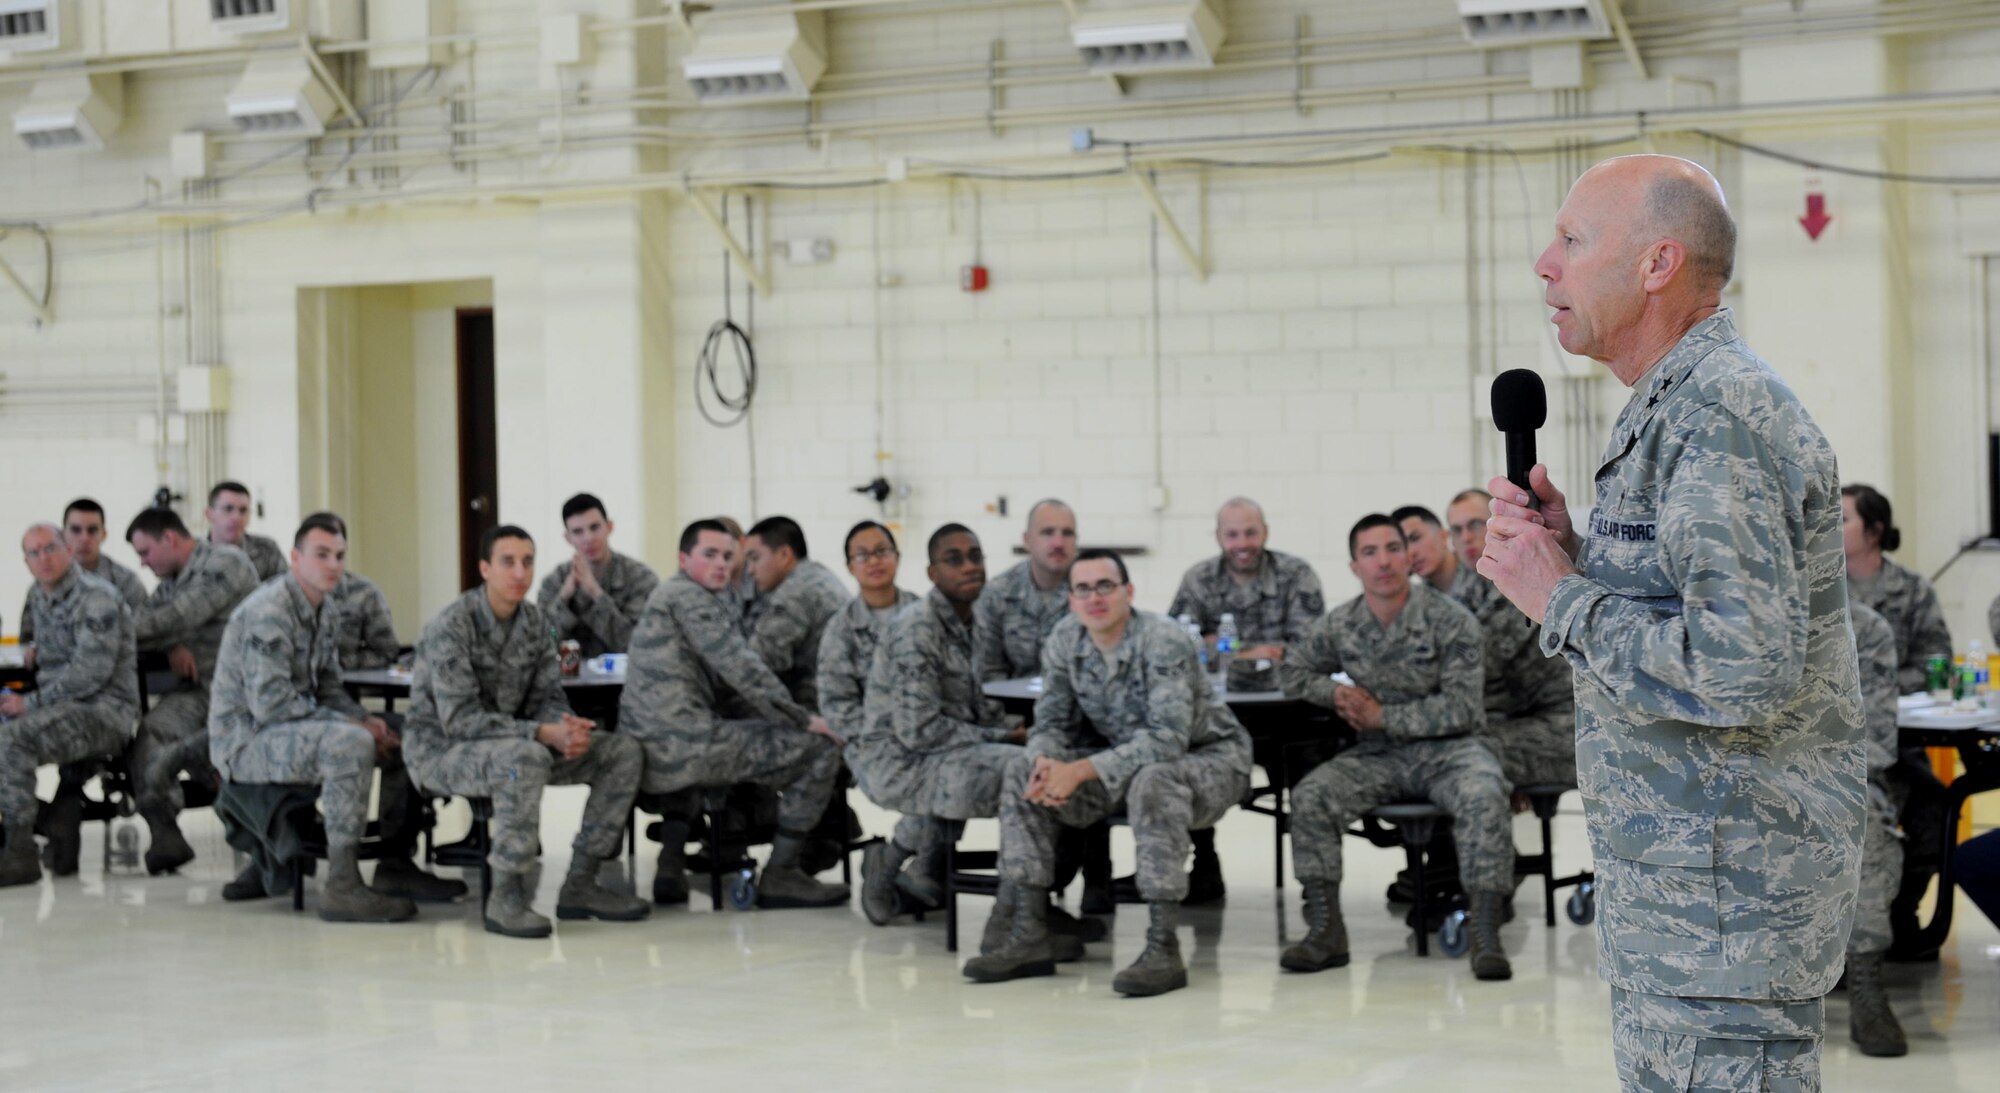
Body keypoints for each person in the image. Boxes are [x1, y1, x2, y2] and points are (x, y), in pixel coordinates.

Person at [1479, 154, 1865, 1090]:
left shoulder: (1720, 415)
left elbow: (1742, 671)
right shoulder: (1672, 407)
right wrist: (1577, 556)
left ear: (1657, 264)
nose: (1544, 262)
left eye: (1572, 239)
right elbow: (1692, 610)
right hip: (1688, 905)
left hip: (1727, 916)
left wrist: (1560, 598)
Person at [965, 549, 1251, 998]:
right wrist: (1046, 763)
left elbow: (1167, 739)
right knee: (1021, 767)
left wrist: (1079, 770)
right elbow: (1052, 723)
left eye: (1105, 586)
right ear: (1071, 599)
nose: (1094, 598)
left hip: (1209, 760)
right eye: (1082, 589)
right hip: (1122, 762)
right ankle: (1027, 932)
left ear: (1128, 593)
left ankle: (1163, 947)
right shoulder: (1065, 640)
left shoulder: (1162, 639)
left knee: (1155, 780)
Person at [1279, 514, 1514, 981]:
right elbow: (1293, 670)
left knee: (1485, 793)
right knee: (1311, 796)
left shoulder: (1451, 620)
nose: (1383, 561)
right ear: (1354, 566)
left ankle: (1486, 933)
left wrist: (1382, 716)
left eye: (1392, 548)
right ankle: (1326, 931)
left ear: (1409, 557)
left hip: (1450, 751)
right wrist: (1335, 694)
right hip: (1379, 755)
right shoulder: (1343, 623)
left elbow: (1464, 709)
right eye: (1370, 552)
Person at [400, 525, 649, 939]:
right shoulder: (452, 626)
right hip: (443, 750)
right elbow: (460, 720)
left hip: (516, 743)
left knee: (622, 752)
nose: (520, 572)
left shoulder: (537, 623)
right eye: (508, 562)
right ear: (484, 568)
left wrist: (565, 726)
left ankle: (581, 883)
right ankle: (507, 895)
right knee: (525, 758)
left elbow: (547, 695)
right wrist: (540, 733)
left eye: (527, 561)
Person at [616, 519, 848, 909]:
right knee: (819, 749)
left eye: (728, 556)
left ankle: (679, 859)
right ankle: (782, 872)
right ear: (684, 558)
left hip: (659, 742)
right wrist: (804, 720)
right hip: (680, 746)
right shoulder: (689, 599)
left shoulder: (684, 595)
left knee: (745, 733)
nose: (722, 564)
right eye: (710, 555)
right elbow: (743, 668)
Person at [205, 514, 421, 923]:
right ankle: (342, 884)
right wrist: (353, 728)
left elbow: (328, 688)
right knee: (350, 744)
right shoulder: (269, 612)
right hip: (247, 740)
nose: (333, 565)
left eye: (339, 555)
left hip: (292, 727)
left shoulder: (325, 609)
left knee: (401, 731)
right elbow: (271, 704)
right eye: (321, 555)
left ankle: (396, 863)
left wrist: (365, 719)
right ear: (295, 558)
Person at [850, 525, 1021, 926]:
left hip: (942, 747)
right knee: (1016, 768)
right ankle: (890, 863)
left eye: (975, 556)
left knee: (1031, 757)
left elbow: (978, 705)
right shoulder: (918, 629)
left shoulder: (972, 622)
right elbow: (919, 731)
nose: (969, 567)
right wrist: (1003, 737)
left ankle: (927, 872)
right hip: (898, 760)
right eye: (954, 559)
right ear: (932, 573)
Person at [1160, 494, 1324, 904]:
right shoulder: (1198, 579)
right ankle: (1203, 861)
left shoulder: (1295, 575)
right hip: (1217, 715)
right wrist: (1257, 652)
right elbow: (1175, 647)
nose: (1242, 542)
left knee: (1313, 769)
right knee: (1184, 757)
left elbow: (1309, 650)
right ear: (1219, 537)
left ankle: (1316, 879)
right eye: (1232, 534)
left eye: (1250, 532)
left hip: (1286, 716)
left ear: (1265, 532)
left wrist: (1222, 646)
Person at [125, 507, 260, 875]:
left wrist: (110, 631)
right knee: (151, 732)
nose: (143, 564)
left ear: (169, 538)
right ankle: (165, 831)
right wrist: (170, 647)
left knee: (207, 748)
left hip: (245, 697)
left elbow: (180, 616)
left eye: (145, 552)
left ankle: (259, 832)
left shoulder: (225, 563)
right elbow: (152, 622)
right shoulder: (170, 581)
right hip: (200, 693)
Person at [0, 525, 137, 887]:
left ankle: (19, 851)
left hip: (104, 712)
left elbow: (89, 673)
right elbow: (32, 637)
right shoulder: (38, 595)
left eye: (50, 548)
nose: (43, 558)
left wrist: (30, 703)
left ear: (68, 549)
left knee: (12, 739)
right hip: (58, 708)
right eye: (34, 553)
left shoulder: (96, 597)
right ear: (26, 562)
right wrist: (32, 652)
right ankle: (46, 819)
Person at [814, 521, 920, 917]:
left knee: (958, 782)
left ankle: (915, 869)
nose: (874, 561)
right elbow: (837, 706)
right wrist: (883, 739)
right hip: (872, 746)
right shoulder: (841, 629)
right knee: (935, 792)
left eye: (882, 551)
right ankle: (890, 867)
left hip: (929, 738)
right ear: (849, 565)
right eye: (863, 554)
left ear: (897, 557)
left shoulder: (924, 615)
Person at [1843, 601, 1908, 1056]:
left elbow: (1877, 739)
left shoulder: (1864, 626)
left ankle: (1865, 980)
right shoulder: (1726, 609)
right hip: (1746, 771)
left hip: (1839, 771)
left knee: (1862, 819)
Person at [1841, 485, 1950, 695]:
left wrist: (1877, 684)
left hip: (1900, 715)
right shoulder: (1820, 590)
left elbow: (1937, 665)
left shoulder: (1913, 589)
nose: (1830, 527)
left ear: (1874, 532)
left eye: (1843, 519)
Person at [743, 516, 850, 711]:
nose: (750, 570)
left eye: (755, 558)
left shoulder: (795, 592)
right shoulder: (817, 575)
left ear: (784, 554)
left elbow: (758, 661)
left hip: (821, 709)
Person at [536, 493, 659, 660]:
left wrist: (595, 592)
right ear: (568, 538)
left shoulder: (640, 578)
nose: (588, 538)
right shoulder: (554, 582)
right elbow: (543, 641)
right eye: (578, 532)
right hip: (567, 683)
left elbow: (636, 643)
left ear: (609, 527)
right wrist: (563, 598)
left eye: (595, 527)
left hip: (625, 683)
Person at [974, 498, 1077, 683]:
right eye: (1048, 532)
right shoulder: (998, 593)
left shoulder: (1092, 592)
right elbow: (988, 671)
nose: (1058, 542)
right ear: (1027, 540)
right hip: (1013, 706)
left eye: (1067, 533)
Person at [19, 500, 146, 645]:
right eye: (75, 530)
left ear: (103, 534)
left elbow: (138, 635)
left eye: (92, 530)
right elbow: (26, 639)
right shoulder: (42, 586)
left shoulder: (126, 582)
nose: (84, 538)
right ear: (63, 534)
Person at [205, 481, 286, 582]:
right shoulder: (195, 556)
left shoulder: (266, 550)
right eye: (228, 509)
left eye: (243, 510)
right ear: (209, 514)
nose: (237, 517)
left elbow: (285, 589)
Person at [1395, 504, 1477, 602]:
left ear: (1443, 536)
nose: (1410, 552)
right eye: (1401, 547)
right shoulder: (1417, 601)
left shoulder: (1485, 575)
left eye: (1415, 538)